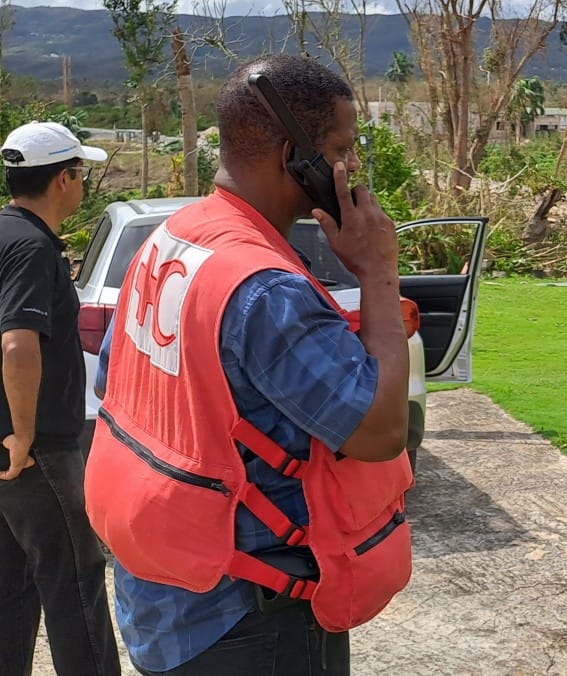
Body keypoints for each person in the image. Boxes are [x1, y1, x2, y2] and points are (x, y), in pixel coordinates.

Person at [85, 55, 414, 675]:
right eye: (342, 149)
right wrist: (377, 270)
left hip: (162, 591)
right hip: (247, 621)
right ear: (297, 156)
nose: (350, 168)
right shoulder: (266, 290)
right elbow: (378, 431)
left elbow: (116, 381)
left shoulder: (174, 238)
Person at [0, 122, 121, 676]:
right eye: (80, 173)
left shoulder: (5, 233)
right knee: (75, 578)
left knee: (12, 581)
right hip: (35, 448)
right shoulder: (31, 249)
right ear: (63, 180)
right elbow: (18, 342)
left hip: (8, 449)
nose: (81, 184)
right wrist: (25, 433)